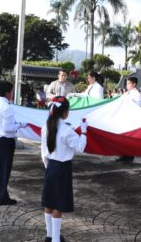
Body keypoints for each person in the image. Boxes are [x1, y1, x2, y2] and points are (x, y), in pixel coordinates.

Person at [41, 96, 87, 242]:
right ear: (65, 112)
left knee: (49, 203)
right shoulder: (67, 130)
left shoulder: (45, 126)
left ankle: (49, 236)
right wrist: (84, 132)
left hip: (51, 166)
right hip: (62, 168)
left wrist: (48, 166)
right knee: (58, 205)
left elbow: (43, 152)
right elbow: (81, 147)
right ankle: (55, 239)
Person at [0, 81, 28, 206]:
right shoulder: (7, 107)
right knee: (4, 169)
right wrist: (20, 125)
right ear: (7, 93)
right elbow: (7, 128)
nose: (12, 94)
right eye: (11, 91)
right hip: (5, 140)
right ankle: (2, 197)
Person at [115, 77, 141, 164]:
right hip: (124, 118)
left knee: (130, 139)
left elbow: (136, 106)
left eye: (129, 83)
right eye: (126, 84)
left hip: (131, 119)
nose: (127, 85)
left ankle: (129, 157)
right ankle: (123, 155)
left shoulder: (136, 94)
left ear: (134, 84)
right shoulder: (127, 93)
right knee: (123, 138)